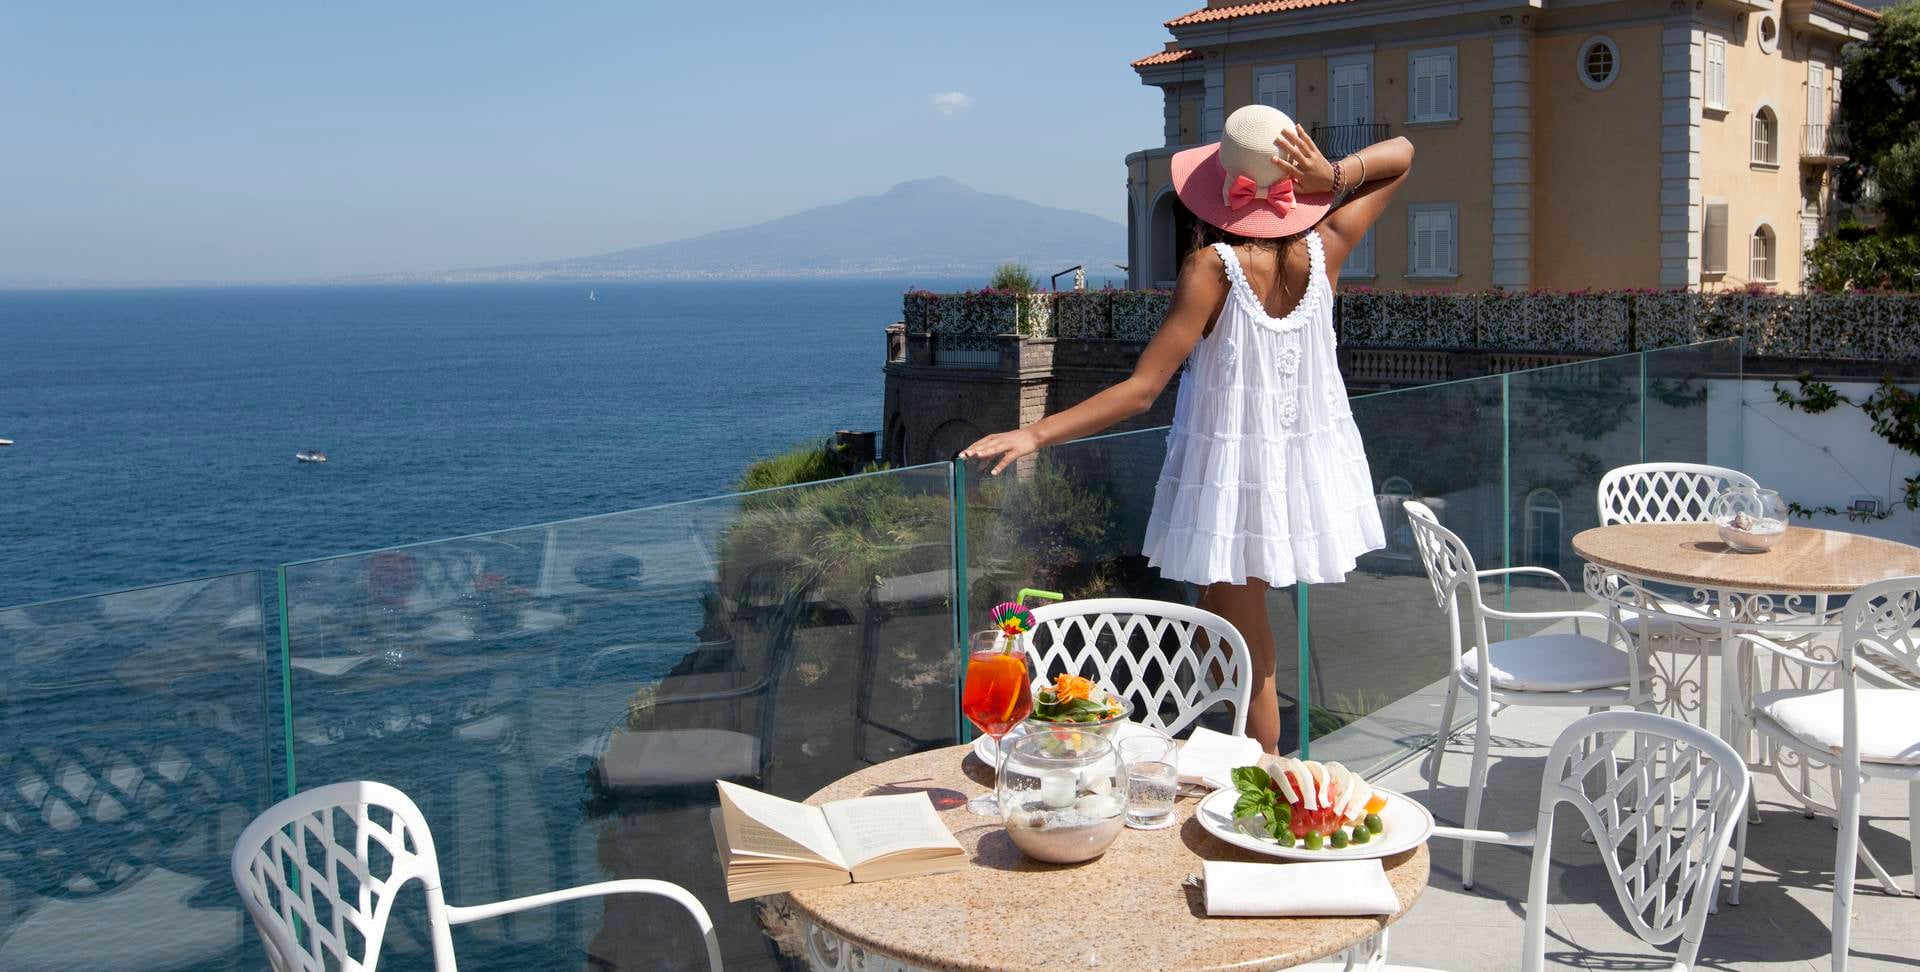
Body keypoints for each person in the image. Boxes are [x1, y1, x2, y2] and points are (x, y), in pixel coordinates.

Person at [960, 104, 1413, 753]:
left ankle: (1268, 776)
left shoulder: (1213, 269)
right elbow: (1402, 154)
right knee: (1225, 626)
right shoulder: (1328, 246)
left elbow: (1142, 390)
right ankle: (1214, 738)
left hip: (1232, 478)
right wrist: (1333, 174)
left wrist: (1035, 434)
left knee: (1249, 644)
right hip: (1294, 468)